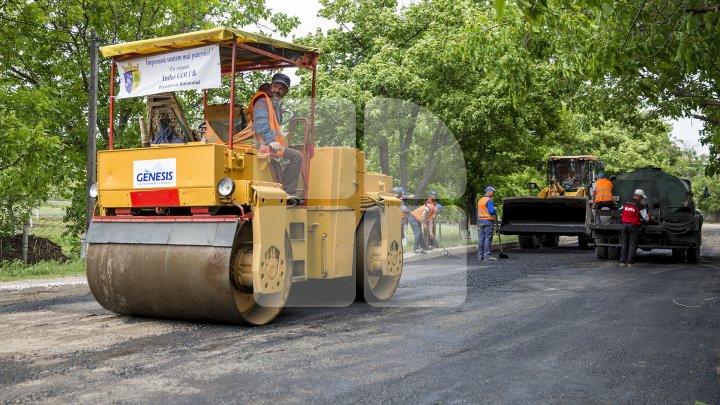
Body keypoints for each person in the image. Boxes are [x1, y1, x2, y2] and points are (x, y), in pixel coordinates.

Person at [249, 72, 303, 201]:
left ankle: (281, 188)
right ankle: (288, 193)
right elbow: (261, 122)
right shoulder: (262, 100)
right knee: (296, 156)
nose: (277, 90)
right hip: (261, 145)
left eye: (281, 88)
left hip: (267, 145)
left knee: (287, 156)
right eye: (275, 86)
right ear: (270, 85)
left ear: (286, 91)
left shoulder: (273, 103)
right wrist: (271, 140)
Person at [619, 189, 650, 267]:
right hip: (633, 226)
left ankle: (622, 262)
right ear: (639, 197)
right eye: (642, 197)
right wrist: (650, 217)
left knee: (624, 244)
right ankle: (629, 262)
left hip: (624, 225)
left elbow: (620, 211)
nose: (642, 199)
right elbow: (646, 218)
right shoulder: (639, 205)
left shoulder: (625, 202)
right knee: (632, 244)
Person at [477, 186, 498, 261]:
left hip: (481, 221)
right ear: (488, 191)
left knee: (481, 239)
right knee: (488, 238)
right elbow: (491, 211)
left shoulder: (480, 200)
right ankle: (487, 256)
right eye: (493, 191)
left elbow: (477, 213)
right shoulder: (489, 200)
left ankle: (480, 256)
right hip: (488, 221)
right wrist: (495, 210)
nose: (493, 193)